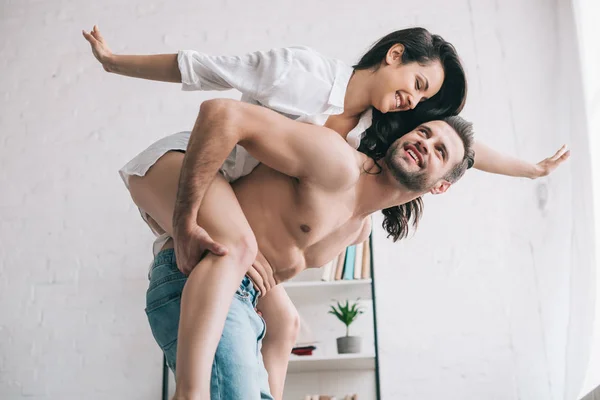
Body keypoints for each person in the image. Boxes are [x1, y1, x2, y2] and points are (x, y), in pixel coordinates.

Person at [82, 25, 569, 398]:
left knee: (287, 320)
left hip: (228, 213)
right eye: (417, 86)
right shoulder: (305, 75)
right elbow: (203, 71)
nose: (417, 108)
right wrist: (113, 61)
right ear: (394, 55)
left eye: (424, 103)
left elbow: (463, 147)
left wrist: (528, 170)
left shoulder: (367, 139)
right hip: (184, 166)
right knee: (240, 246)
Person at [129, 97, 476, 400]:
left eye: (440, 150)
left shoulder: (358, 231)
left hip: (246, 308)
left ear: (441, 187)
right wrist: (190, 223)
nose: (425, 143)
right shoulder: (335, 160)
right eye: (424, 132)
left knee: (287, 322)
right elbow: (226, 116)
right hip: (200, 277)